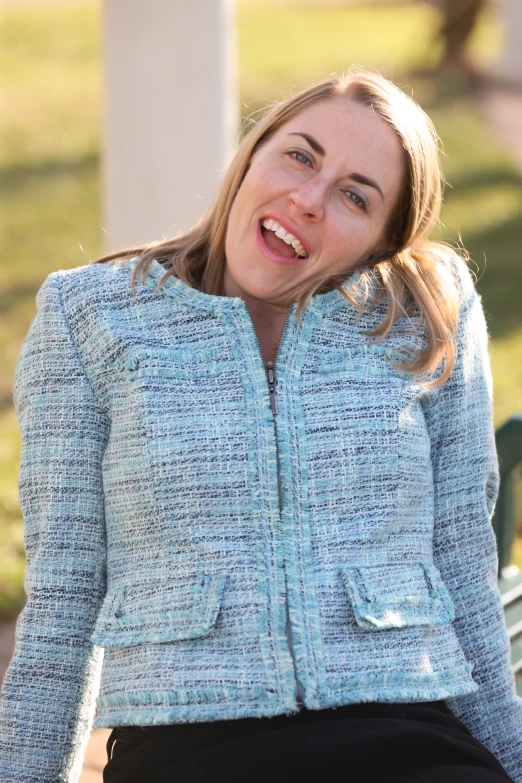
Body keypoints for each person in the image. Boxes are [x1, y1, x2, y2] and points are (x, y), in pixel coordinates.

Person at [0, 67, 520, 783]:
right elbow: (64, 599)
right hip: (195, 747)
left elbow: (463, 564)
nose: (308, 200)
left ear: (378, 242)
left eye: (355, 196)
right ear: (252, 152)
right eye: (300, 155)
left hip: (411, 730)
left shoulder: (427, 311)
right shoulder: (90, 317)